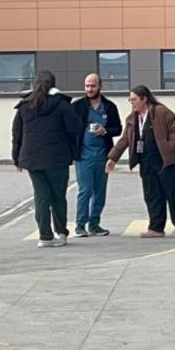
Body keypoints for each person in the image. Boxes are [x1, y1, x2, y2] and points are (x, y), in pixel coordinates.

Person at [106, 86, 175, 239]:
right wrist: (113, 158)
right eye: (130, 100)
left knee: (174, 193)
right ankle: (156, 227)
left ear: (144, 99)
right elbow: (125, 139)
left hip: (167, 160)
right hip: (146, 161)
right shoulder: (132, 118)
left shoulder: (161, 112)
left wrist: (171, 148)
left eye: (134, 99)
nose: (131, 103)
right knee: (152, 195)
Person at [12, 70, 83, 248]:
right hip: (57, 158)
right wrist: (73, 151)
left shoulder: (24, 105)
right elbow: (75, 129)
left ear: (35, 83)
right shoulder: (62, 105)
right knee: (58, 196)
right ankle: (61, 233)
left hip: (32, 158)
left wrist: (17, 158)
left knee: (41, 196)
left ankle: (44, 236)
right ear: (53, 84)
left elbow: (17, 134)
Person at [71, 74, 122, 237]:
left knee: (100, 191)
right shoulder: (77, 106)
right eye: (87, 86)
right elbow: (69, 129)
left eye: (93, 86)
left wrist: (105, 131)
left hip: (103, 155)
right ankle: (80, 225)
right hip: (84, 156)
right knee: (85, 190)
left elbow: (118, 129)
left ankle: (94, 224)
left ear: (100, 86)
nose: (89, 89)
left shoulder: (109, 107)